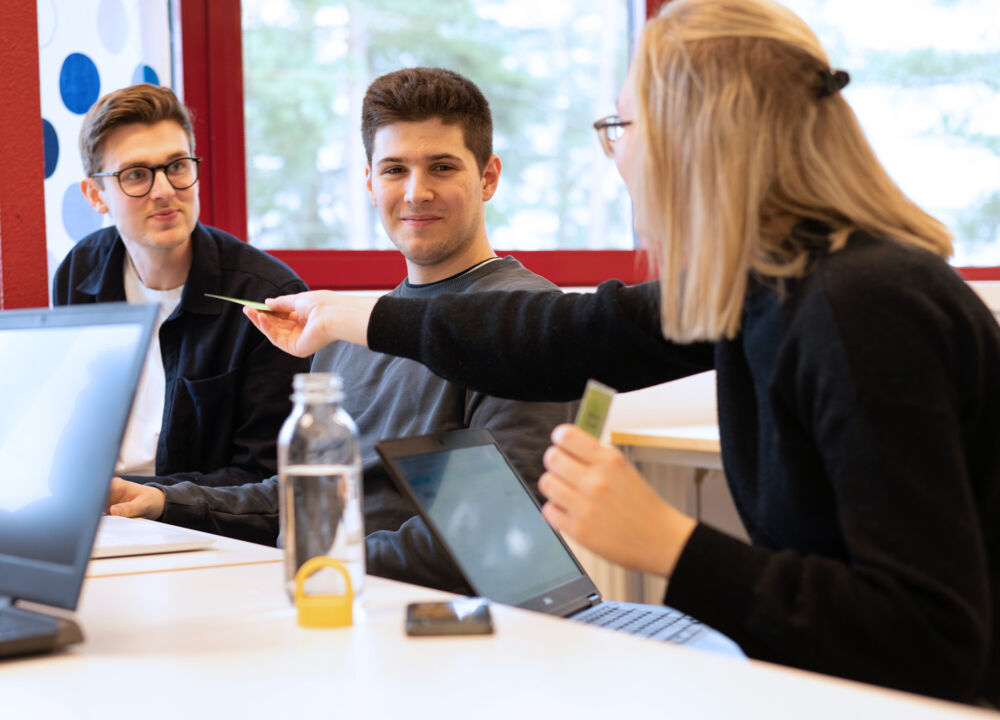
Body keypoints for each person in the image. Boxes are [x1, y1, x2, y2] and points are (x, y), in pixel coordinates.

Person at [242, 0, 1000, 705]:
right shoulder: (763, 284)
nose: (617, 158)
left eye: (623, 129)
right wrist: (349, 315)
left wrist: (670, 543)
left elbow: (930, 640)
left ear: (698, 141)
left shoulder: (860, 305)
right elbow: (561, 336)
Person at [106, 67, 575, 591]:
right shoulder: (356, 330)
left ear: (488, 177)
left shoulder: (527, 317)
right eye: (395, 169)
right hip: (329, 602)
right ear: (371, 183)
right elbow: (298, 498)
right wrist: (166, 501)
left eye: (441, 167)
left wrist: (313, 565)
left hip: (435, 627)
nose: (416, 192)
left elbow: (487, 533)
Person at [52, 83, 310, 488]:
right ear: (95, 194)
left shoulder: (266, 295)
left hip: (203, 529)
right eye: (135, 175)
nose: (164, 191)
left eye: (177, 166)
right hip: (96, 509)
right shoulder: (79, 273)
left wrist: (151, 499)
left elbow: (267, 481)